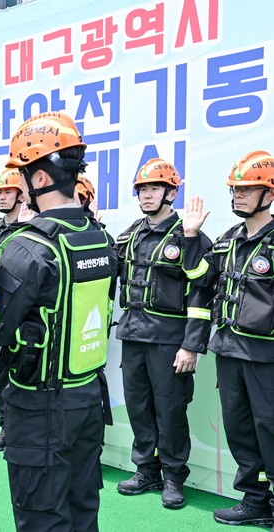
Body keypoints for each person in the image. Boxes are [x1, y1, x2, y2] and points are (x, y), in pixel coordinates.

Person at [0, 111, 117, 532]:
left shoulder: (28, 247)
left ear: (40, 179)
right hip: (88, 397)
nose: (20, 185)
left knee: (42, 517)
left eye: (23, 175)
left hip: (40, 406)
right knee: (83, 511)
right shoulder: (100, 239)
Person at [114, 158, 213, 509]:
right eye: (142, 189)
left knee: (170, 411)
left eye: (154, 188)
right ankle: (146, 471)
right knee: (139, 407)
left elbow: (203, 289)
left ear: (171, 193)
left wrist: (191, 345)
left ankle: (173, 476)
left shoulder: (188, 235)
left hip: (169, 340)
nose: (146, 195)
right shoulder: (131, 234)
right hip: (133, 335)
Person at [182, 150, 274, 528]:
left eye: (247, 189)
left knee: (270, 428)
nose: (238, 195)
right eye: (235, 189)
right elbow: (199, 278)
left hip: (266, 355)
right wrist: (190, 236)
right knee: (240, 429)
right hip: (229, 351)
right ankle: (255, 500)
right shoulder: (227, 240)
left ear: (269, 194)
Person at [0, 167, 24, 453]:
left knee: (22, 378)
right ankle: (6, 427)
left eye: (7, 191)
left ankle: (22, 430)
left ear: (21, 195)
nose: (1, 197)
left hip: (23, 316)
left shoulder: (34, 228)